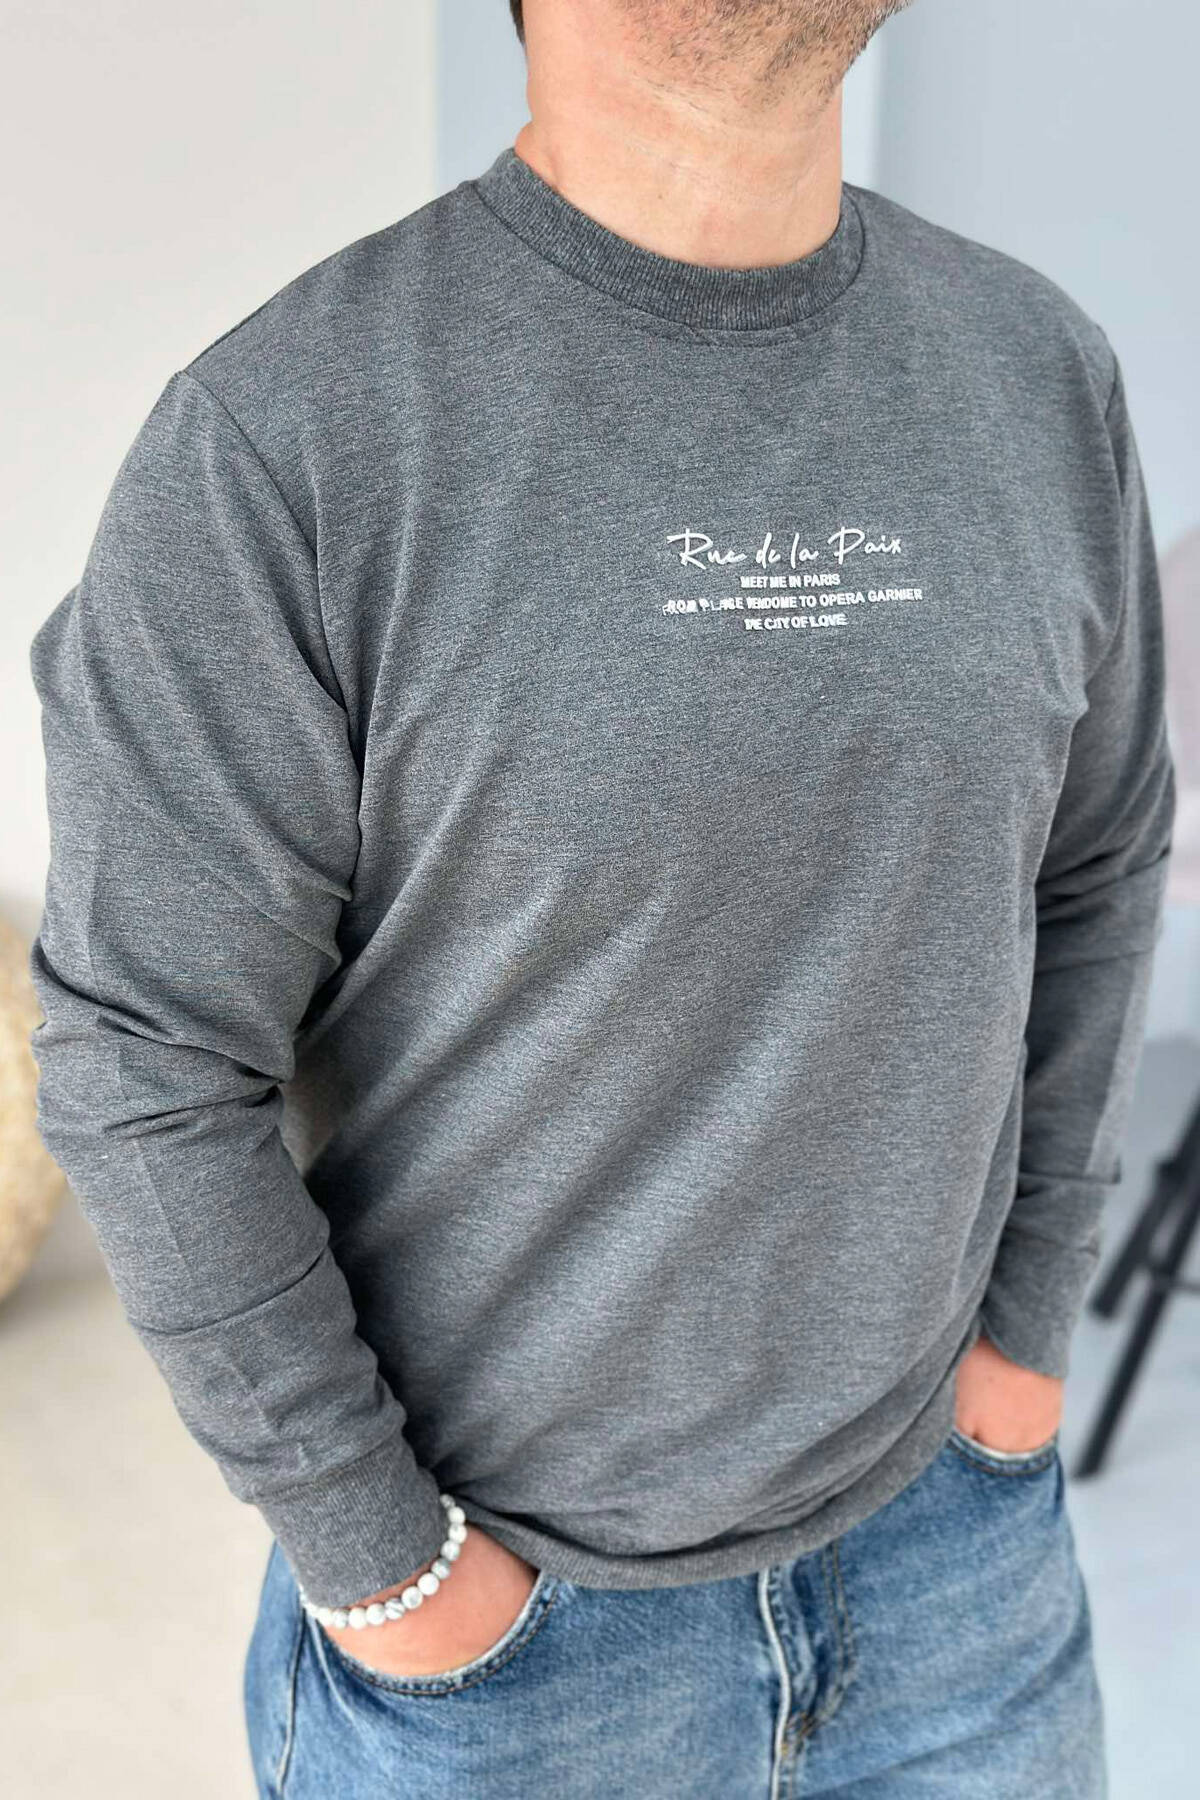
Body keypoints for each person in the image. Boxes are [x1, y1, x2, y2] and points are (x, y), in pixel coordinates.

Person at [27, 0, 1175, 1793]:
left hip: (960, 1565)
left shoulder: (1036, 370)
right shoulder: (285, 438)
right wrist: (390, 1570)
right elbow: (148, 1057)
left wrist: (1026, 1334)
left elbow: (1096, 860)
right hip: (515, 1654)